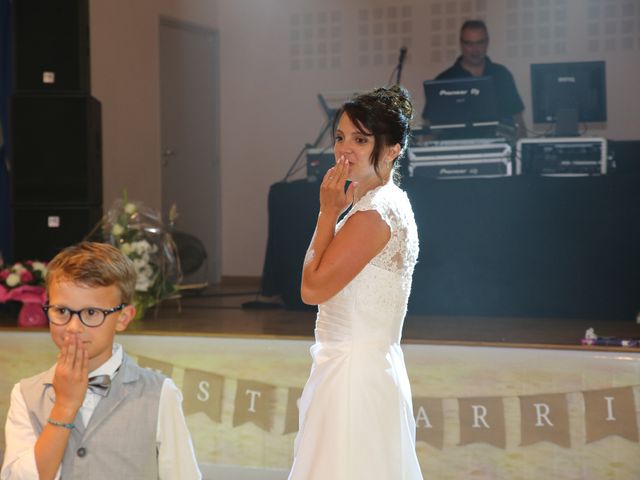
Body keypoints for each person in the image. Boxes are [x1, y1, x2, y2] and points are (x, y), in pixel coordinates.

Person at [289, 86, 422, 480]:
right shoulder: (387, 203)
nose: (345, 149)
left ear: (393, 148)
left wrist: (327, 213)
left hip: (352, 379)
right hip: (364, 368)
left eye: (361, 140)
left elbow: (312, 289)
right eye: (341, 137)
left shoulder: (373, 214)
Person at [1, 242, 202, 480]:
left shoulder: (159, 394)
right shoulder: (25, 395)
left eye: (92, 313)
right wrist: (64, 408)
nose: (74, 327)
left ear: (123, 318)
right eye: (62, 311)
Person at [423, 19, 526, 138]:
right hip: (455, 151)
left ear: (487, 43)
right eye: (469, 44)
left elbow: (518, 121)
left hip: (498, 150)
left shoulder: (502, 75)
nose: (475, 49)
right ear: (461, 44)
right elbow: (429, 126)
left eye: (480, 43)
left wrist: (522, 151)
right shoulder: (444, 80)